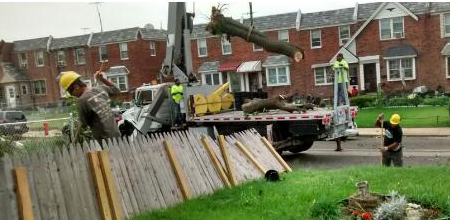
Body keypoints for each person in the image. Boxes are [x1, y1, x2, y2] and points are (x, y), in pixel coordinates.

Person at [59, 71, 121, 142]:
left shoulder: (82, 100)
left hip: (103, 142)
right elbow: (116, 89)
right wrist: (102, 79)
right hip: (117, 137)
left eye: (70, 92)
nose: (72, 95)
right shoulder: (99, 89)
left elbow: (84, 124)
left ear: (76, 87)